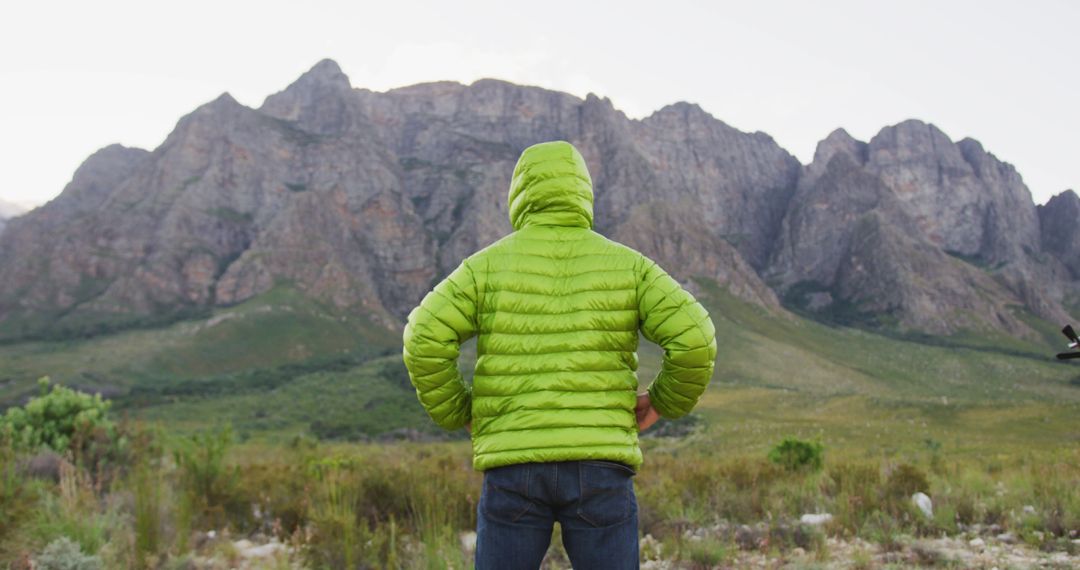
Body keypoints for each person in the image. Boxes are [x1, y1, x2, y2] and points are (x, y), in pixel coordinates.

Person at [402, 140, 717, 569]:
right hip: (601, 466)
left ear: (519, 195)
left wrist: (458, 411)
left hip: (513, 467)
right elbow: (695, 337)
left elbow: (423, 335)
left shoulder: (484, 268)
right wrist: (663, 402)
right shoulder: (630, 266)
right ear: (584, 193)